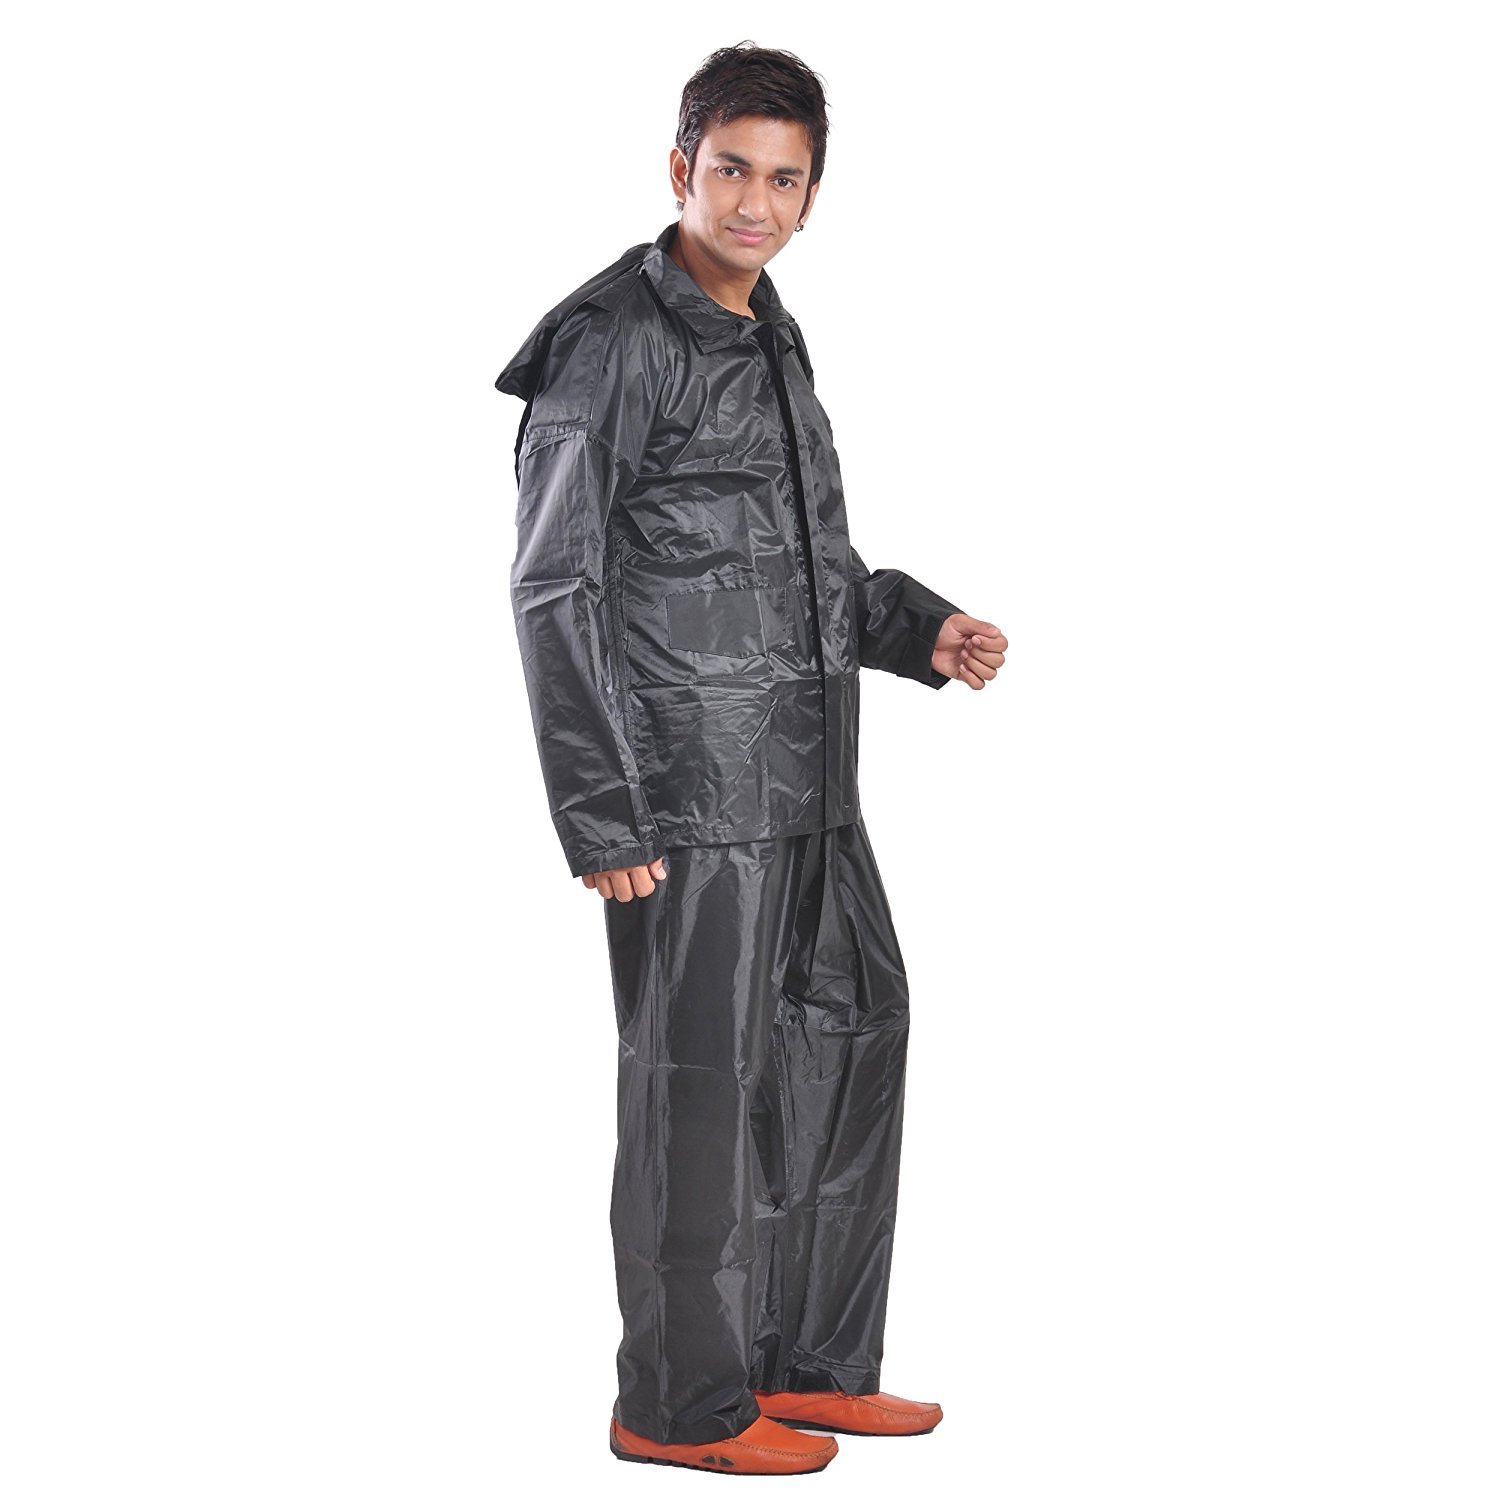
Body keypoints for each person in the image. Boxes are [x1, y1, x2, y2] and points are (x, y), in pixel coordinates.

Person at [495, 43, 1007, 1477]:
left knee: (847, 1038)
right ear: (682, 168)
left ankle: (804, 1367)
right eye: (731, 170)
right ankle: (679, 1403)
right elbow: (554, 584)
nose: (754, 204)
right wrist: (603, 810)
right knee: (702, 1087)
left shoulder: (772, 333)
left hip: (809, 778)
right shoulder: (613, 341)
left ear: (813, 192)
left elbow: (799, 564)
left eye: (785, 180)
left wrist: (918, 627)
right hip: (690, 796)